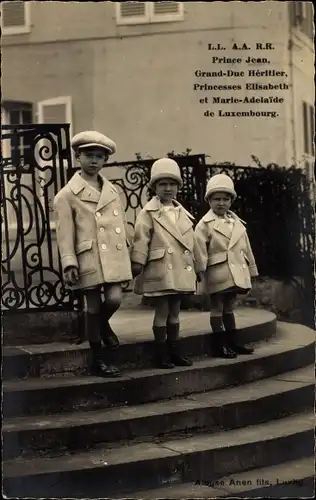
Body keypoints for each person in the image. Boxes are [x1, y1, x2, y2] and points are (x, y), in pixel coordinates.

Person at [54, 130, 133, 377]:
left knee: (114, 299)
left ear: (105, 161)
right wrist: (69, 262)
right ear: (78, 157)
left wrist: (128, 255)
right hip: (88, 256)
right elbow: (65, 234)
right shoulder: (66, 195)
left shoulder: (112, 191)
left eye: (100, 156)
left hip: (114, 256)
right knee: (93, 306)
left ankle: (100, 325)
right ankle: (98, 359)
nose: (94, 161)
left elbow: (120, 224)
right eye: (89, 155)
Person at [131, 158, 204, 369]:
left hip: (179, 268)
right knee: (162, 310)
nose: (168, 188)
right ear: (154, 187)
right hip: (161, 267)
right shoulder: (148, 213)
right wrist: (137, 261)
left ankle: (175, 350)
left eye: (172, 184)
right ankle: (161, 353)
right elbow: (140, 238)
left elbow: (192, 243)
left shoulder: (184, 214)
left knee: (175, 311)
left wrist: (198, 267)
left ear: (178, 187)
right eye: (162, 184)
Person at [194, 173, 258, 358]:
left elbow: (247, 248)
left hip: (235, 271)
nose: (221, 203)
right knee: (217, 307)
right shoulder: (204, 225)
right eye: (216, 199)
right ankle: (219, 344)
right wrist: (201, 273)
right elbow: (199, 251)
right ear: (209, 200)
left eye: (225, 199)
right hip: (217, 271)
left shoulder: (237, 223)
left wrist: (252, 269)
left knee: (229, 307)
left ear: (231, 201)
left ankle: (233, 342)